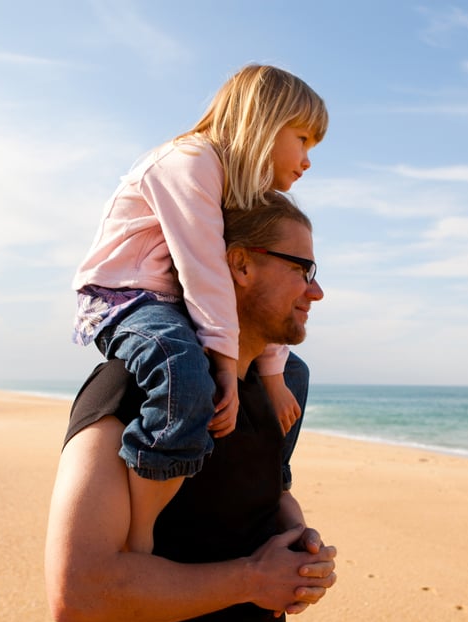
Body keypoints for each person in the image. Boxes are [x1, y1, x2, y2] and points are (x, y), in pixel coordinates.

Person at [46, 192, 336, 622]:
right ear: (240, 264)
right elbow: (77, 590)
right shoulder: (137, 386)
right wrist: (251, 579)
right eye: (302, 269)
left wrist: (301, 549)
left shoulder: (271, 392)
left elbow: (264, 493)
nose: (317, 292)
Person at [69, 64, 328, 555]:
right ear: (264, 122)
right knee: (183, 369)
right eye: (302, 139)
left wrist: (272, 375)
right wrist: (225, 367)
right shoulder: (188, 162)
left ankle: (274, 484)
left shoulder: (238, 188)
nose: (307, 160)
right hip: (127, 295)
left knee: (294, 374)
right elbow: (207, 273)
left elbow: (248, 298)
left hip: (175, 297)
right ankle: (139, 531)